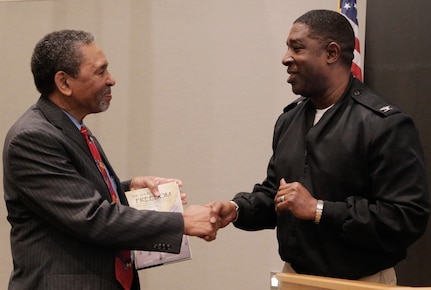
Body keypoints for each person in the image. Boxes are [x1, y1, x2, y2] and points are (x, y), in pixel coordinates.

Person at [209, 9, 430, 284]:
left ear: (331, 53)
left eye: (297, 47)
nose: (285, 58)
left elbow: (406, 217)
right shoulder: (289, 120)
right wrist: (237, 209)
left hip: (360, 282)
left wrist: (319, 210)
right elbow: (277, 194)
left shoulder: (383, 124)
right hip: (295, 277)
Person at [3, 30, 219, 290]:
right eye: (100, 72)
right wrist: (182, 222)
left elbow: (74, 194)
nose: (111, 80)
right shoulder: (33, 137)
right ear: (64, 82)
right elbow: (89, 217)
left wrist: (124, 190)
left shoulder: (71, 127)